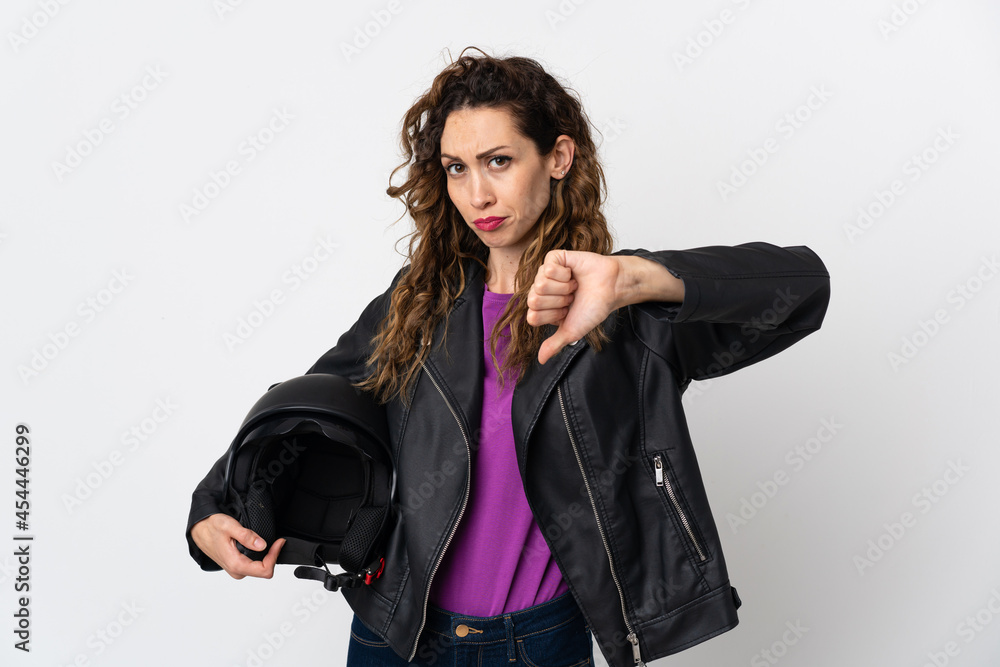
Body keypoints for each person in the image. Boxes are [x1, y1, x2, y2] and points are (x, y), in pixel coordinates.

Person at [186, 46, 831, 667]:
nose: (477, 196)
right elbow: (312, 402)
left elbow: (803, 291)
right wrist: (212, 508)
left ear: (558, 157)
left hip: (538, 643)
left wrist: (632, 279)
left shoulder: (625, 316)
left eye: (498, 161)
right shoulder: (419, 302)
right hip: (396, 634)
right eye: (456, 168)